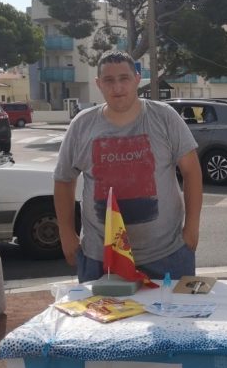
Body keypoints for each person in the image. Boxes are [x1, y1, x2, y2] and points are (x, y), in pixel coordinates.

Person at [53, 50, 203, 283]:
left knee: (176, 319)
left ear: (136, 78)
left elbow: (191, 171)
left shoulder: (164, 117)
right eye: (109, 80)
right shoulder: (81, 125)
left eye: (124, 78)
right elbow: (63, 180)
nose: (117, 87)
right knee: (100, 321)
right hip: (100, 259)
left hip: (167, 256)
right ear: (98, 84)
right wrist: (66, 233)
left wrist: (192, 228)